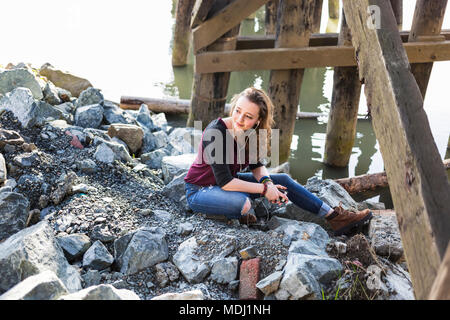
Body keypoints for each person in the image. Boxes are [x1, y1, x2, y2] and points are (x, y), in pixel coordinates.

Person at [184, 87, 373, 236]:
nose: (240, 119)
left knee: (282, 179)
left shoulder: (251, 134)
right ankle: (228, 212)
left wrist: (267, 183)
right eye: (237, 111)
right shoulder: (215, 132)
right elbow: (226, 182)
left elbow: (257, 166)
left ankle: (334, 217)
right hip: (200, 190)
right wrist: (266, 190)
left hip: (225, 183)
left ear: (258, 121)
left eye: (248, 116)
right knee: (244, 204)